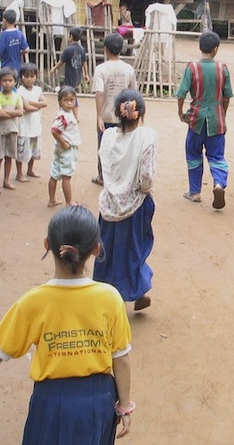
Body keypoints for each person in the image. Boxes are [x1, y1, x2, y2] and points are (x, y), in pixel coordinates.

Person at [0, 206, 134, 444]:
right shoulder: (110, 297)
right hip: (97, 400)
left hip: (50, 401)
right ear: (96, 248)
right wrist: (124, 406)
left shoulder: (34, 301)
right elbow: (120, 358)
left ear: (47, 244)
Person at [94, 89, 157, 311]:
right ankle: (138, 291)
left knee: (106, 249)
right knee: (134, 249)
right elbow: (147, 177)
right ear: (140, 114)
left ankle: (101, 293)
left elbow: (103, 166)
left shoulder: (108, 137)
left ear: (118, 113)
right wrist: (144, 190)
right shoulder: (146, 136)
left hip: (109, 204)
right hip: (136, 204)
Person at [176, 31, 233, 209]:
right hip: (216, 118)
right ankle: (218, 183)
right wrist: (222, 114)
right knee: (217, 156)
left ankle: (195, 192)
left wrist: (180, 112)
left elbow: (181, 93)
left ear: (200, 47)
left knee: (193, 154)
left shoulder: (192, 67)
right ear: (215, 50)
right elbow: (227, 96)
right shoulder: (222, 68)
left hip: (196, 118)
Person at [91, 33, 137, 186]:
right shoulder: (128, 69)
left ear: (105, 49)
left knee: (104, 146)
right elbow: (133, 93)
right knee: (123, 145)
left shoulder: (101, 69)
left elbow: (99, 92)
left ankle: (102, 176)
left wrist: (98, 116)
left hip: (106, 115)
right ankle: (121, 177)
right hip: (124, 114)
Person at [0, 67, 23, 193]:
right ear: (0, 82)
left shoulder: (17, 97)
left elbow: (20, 112)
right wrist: (13, 112)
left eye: (10, 80)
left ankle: (6, 181)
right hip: (0, 131)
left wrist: (5, 111)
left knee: (9, 157)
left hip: (12, 130)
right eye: (4, 80)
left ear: (15, 81)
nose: (7, 83)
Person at [48, 86, 81, 207]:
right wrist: (63, 143)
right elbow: (54, 130)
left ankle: (52, 199)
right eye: (66, 100)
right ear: (60, 102)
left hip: (61, 149)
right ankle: (69, 202)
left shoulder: (66, 113)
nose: (69, 103)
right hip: (66, 149)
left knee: (54, 173)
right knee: (66, 176)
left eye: (72, 100)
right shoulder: (63, 117)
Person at [16, 63, 47, 182]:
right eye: (26, 76)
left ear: (36, 77)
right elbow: (27, 108)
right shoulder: (20, 91)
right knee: (22, 150)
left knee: (34, 148)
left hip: (35, 125)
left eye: (32, 76)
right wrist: (37, 105)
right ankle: (19, 173)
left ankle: (30, 169)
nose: (29, 79)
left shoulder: (38, 90)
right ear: (21, 77)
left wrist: (33, 103)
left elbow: (45, 103)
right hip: (24, 126)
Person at [51, 26, 89, 100]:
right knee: (73, 91)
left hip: (70, 76)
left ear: (71, 36)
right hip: (78, 75)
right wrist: (86, 74)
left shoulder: (68, 49)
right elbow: (84, 62)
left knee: (68, 92)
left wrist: (54, 68)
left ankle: (72, 104)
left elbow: (61, 61)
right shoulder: (82, 49)